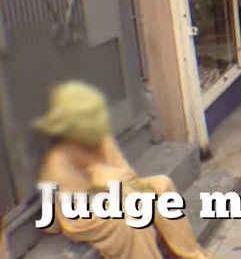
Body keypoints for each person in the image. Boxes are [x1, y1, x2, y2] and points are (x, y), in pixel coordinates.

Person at [33, 81, 215, 259]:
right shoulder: (58, 160)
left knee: (162, 185)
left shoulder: (101, 139)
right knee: (134, 220)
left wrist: (119, 185)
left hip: (118, 191)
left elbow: (128, 176)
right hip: (86, 212)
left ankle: (187, 254)